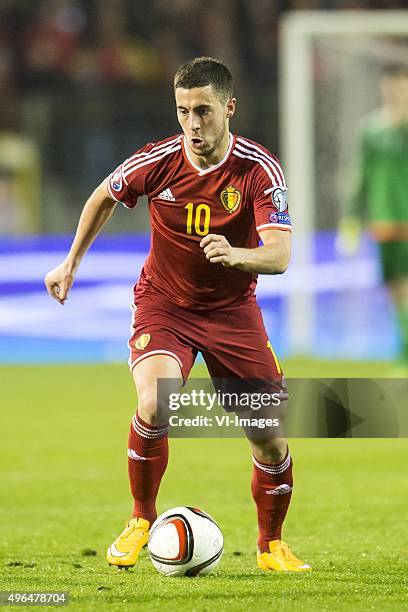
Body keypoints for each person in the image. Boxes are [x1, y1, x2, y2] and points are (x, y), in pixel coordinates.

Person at [45, 57, 311, 573]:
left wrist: (238, 255)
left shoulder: (259, 170)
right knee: (156, 399)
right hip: (164, 303)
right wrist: (71, 261)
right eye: (183, 111)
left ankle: (271, 545)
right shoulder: (159, 160)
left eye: (204, 111)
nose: (192, 124)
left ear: (229, 108)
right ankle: (141, 518)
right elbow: (104, 195)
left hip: (232, 311)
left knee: (268, 435)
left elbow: (279, 256)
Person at [339, 63, 408, 372]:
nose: (395, 90)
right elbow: (361, 177)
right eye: (391, 84)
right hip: (383, 221)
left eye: (401, 85)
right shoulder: (371, 130)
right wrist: (352, 221)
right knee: (394, 287)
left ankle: (405, 351)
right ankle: (402, 344)